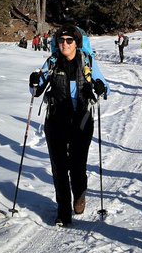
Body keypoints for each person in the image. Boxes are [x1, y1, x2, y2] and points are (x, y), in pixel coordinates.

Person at [29, 25, 111, 226]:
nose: (64, 44)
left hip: (81, 120)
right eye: (61, 40)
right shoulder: (53, 62)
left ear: (77, 43)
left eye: (69, 40)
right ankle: (63, 212)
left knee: (77, 166)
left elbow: (104, 88)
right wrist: (33, 82)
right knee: (59, 168)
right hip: (56, 120)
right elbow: (36, 91)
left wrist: (100, 88)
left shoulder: (88, 62)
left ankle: (80, 194)